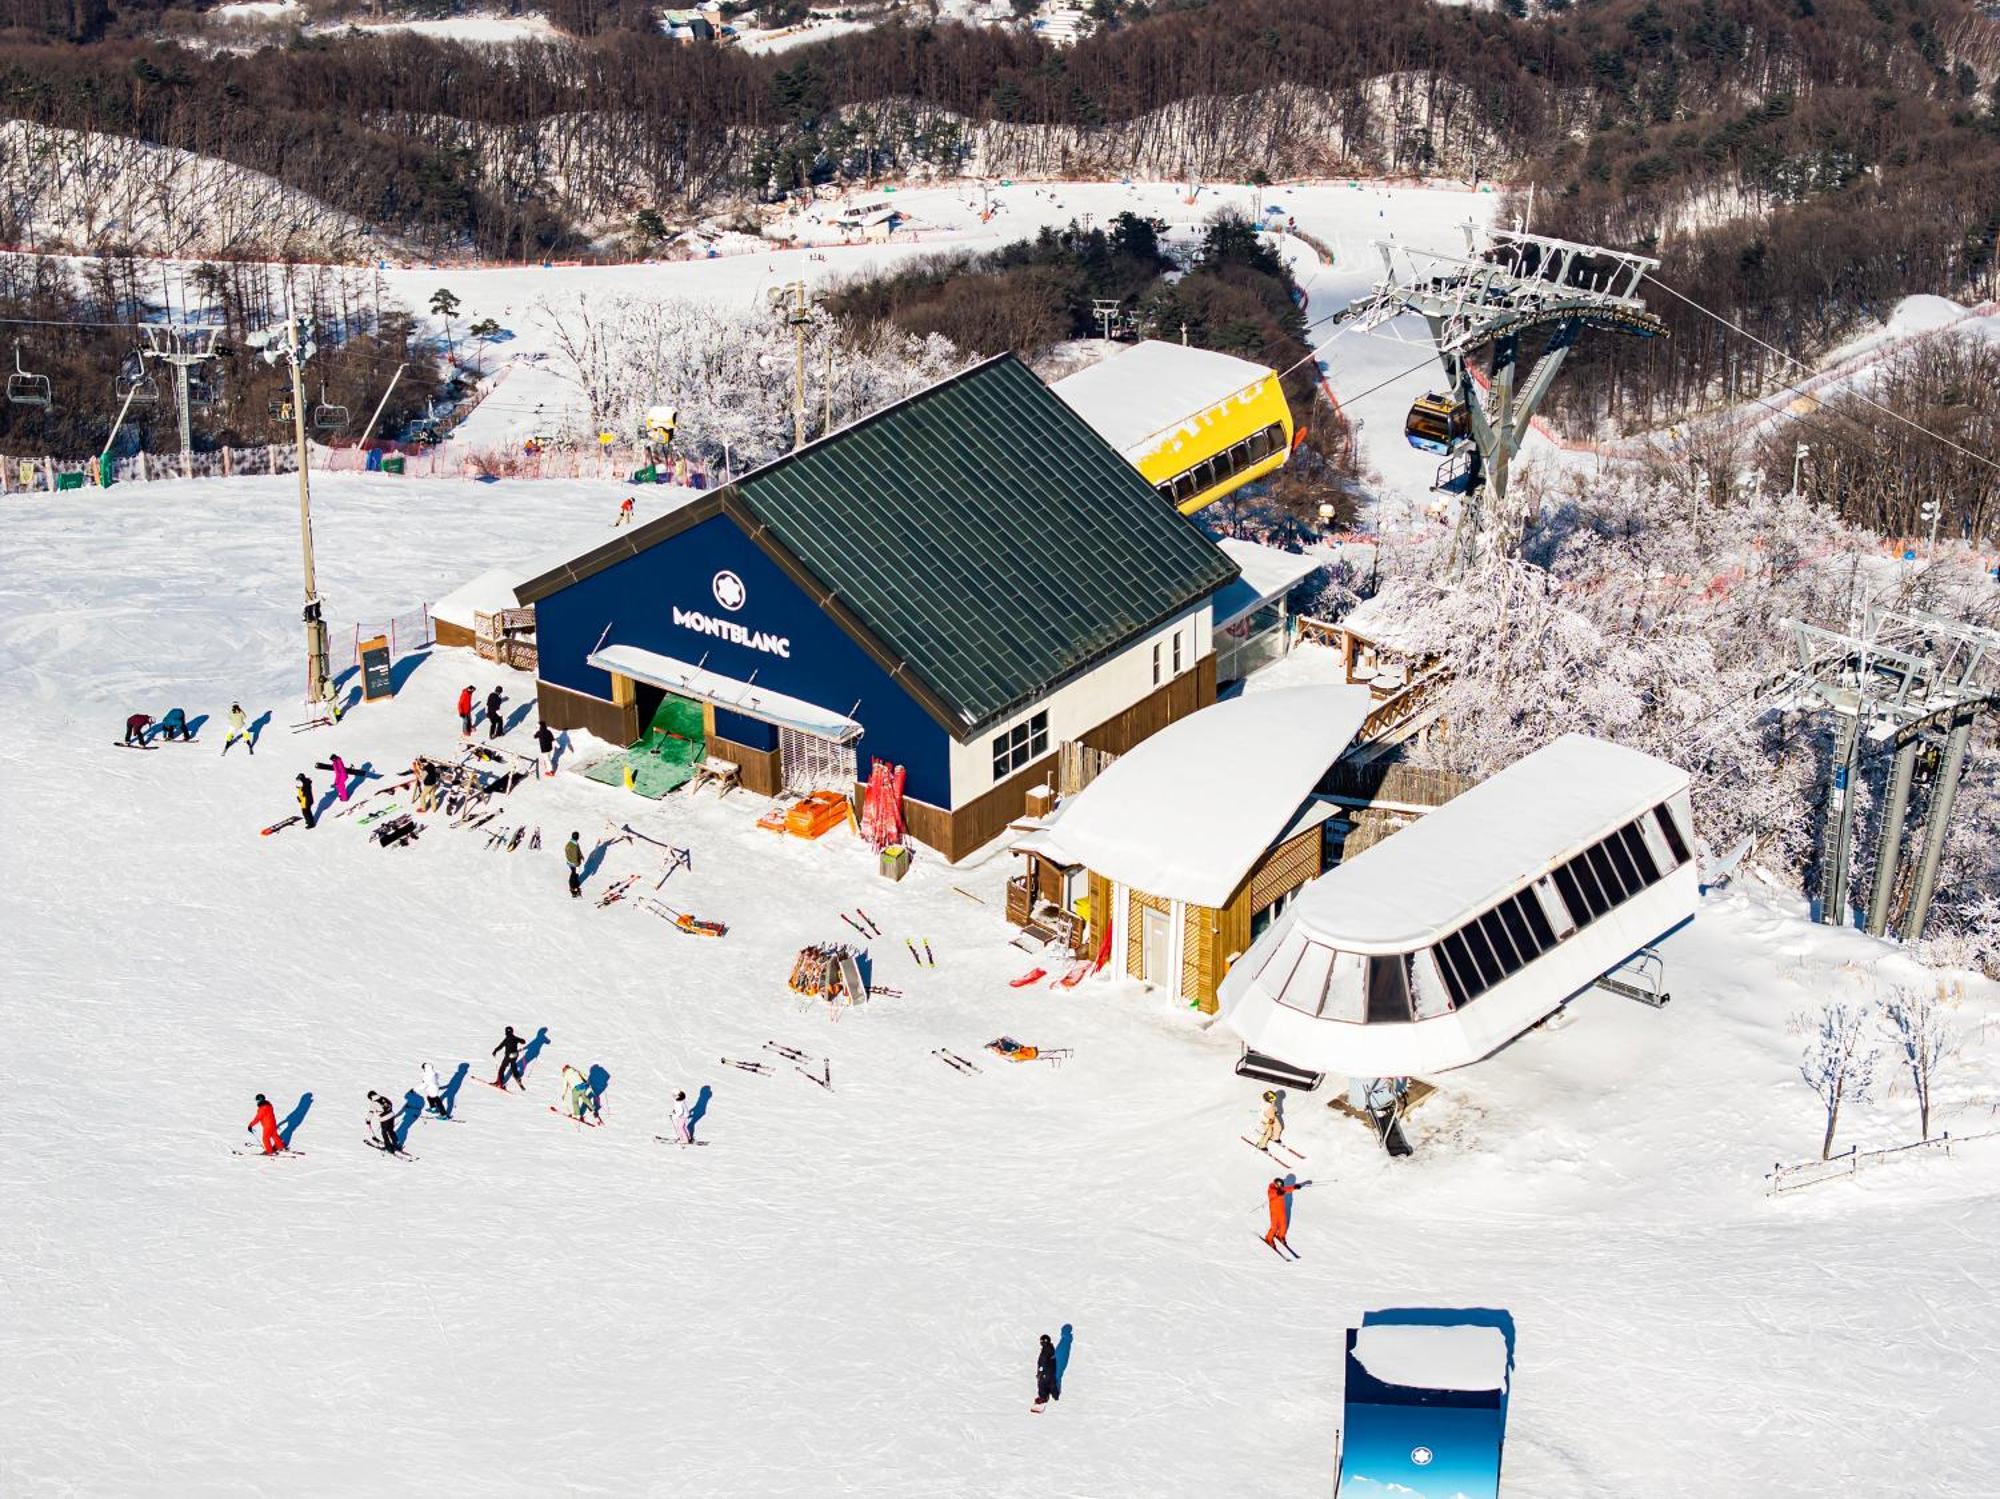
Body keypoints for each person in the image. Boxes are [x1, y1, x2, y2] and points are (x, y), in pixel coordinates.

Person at [1264, 1177, 1303, 1252]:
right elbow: (1272, 1194)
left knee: (1283, 1225)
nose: (1280, 1186)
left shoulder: (1281, 1189)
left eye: (1281, 1185)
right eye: (1278, 1185)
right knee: (1274, 1227)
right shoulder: (1271, 1189)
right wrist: (1278, 1193)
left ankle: (1280, 1236)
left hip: (1281, 1210)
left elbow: (1287, 1189)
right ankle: (1268, 1239)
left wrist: (1295, 1187)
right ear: (1275, 1184)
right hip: (1274, 1211)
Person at [1033, 1334, 1060, 1412]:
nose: (1040, 1342)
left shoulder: (1047, 1349)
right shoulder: (1048, 1348)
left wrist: (1041, 1372)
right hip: (1049, 1370)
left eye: (1041, 1341)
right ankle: (1052, 1395)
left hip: (1047, 1370)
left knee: (1043, 1383)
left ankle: (1045, 1397)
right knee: (1047, 1382)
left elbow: (1043, 1361)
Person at [564, 831, 583, 899]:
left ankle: (575, 882)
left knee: (575, 873)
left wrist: (581, 856)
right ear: (577, 837)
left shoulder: (571, 843)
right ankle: (572, 886)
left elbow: (578, 851)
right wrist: (577, 864)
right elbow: (575, 855)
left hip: (571, 862)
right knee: (574, 873)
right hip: (574, 863)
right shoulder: (574, 845)